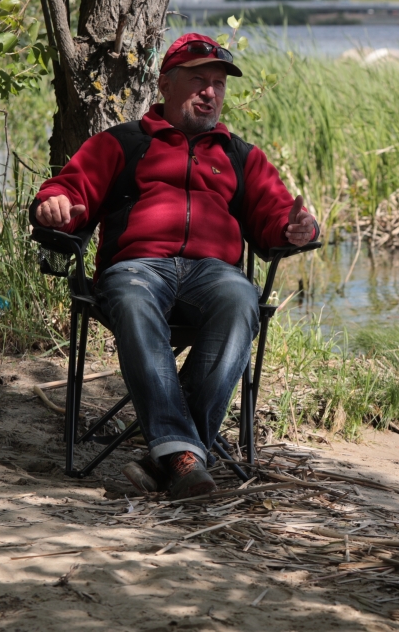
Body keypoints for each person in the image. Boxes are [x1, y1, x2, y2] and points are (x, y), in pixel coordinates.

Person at [31, 33, 319, 499]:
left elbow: (277, 217)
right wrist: (56, 204)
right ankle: (186, 455)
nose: (211, 92)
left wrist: (298, 228)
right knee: (130, 295)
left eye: (219, 84)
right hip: (137, 268)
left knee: (241, 297)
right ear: (166, 84)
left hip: (213, 273)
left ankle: (168, 454)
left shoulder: (239, 155)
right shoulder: (122, 143)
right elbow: (69, 189)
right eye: (199, 80)